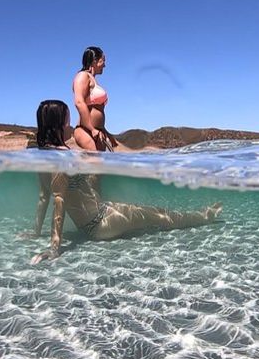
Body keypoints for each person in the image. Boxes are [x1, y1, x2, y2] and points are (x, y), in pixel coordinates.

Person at [31, 100, 222, 264]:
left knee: (152, 213)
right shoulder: (63, 158)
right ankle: (203, 217)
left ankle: (199, 216)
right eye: (67, 122)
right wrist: (55, 248)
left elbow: (43, 197)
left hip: (100, 216)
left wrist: (35, 232)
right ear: (57, 126)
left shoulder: (44, 157)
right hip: (101, 222)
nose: (70, 126)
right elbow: (59, 201)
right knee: (157, 215)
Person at [72, 46, 118, 151]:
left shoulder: (93, 80)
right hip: (85, 130)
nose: (105, 65)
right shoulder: (82, 76)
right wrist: (92, 129)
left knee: (97, 166)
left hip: (98, 132)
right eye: (103, 61)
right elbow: (79, 102)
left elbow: (96, 110)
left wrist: (106, 132)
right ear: (94, 61)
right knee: (95, 163)